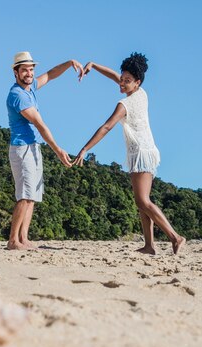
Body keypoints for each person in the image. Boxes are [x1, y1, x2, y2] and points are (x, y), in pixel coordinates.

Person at [73, 53, 185, 255]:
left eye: (126, 81)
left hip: (141, 152)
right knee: (142, 200)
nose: (121, 83)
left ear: (137, 82)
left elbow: (106, 127)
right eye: (122, 80)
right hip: (145, 151)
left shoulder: (125, 104)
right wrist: (95, 65)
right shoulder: (141, 92)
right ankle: (149, 246)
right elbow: (114, 75)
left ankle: (175, 237)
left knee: (143, 200)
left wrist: (85, 148)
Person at [6, 51, 84, 250]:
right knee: (24, 195)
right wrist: (58, 150)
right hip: (22, 148)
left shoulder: (30, 89)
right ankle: (13, 240)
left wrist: (69, 63)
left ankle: (23, 238)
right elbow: (40, 124)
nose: (29, 73)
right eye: (24, 70)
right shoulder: (17, 95)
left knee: (32, 196)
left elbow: (50, 75)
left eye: (31, 69)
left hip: (33, 147)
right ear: (16, 73)